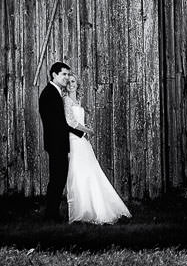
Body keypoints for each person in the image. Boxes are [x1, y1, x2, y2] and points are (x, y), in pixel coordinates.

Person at [61, 70, 131, 224]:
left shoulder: (78, 101)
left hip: (82, 141)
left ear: (77, 84)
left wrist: (85, 132)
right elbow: (70, 122)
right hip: (73, 140)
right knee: (77, 173)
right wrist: (88, 131)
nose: (71, 84)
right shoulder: (66, 100)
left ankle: (96, 208)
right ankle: (81, 210)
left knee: (91, 172)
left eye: (73, 82)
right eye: (68, 82)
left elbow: (78, 121)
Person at [39, 62, 83, 221]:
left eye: (67, 74)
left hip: (58, 143)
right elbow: (58, 122)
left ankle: (52, 213)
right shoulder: (49, 94)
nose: (66, 77)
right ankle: (51, 214)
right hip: (56, 144)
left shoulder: (55, 92)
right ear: (54, 75)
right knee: (57, 180)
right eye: (64, 74)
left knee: (58, 179)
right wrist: (81, 133)